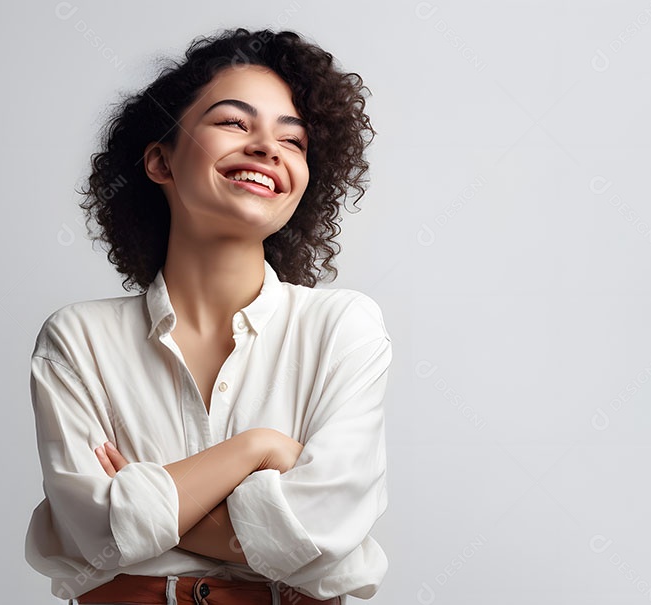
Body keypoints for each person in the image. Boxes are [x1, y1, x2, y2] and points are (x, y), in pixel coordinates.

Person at [23, 27, 392, 605]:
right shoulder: (78, 338)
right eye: (234, 123)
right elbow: (94, 537)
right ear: (160, 161)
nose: (268, 147)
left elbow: (323, 537)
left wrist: (145, 505)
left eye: (293, 141)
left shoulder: (344, 328)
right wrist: (258, 449)